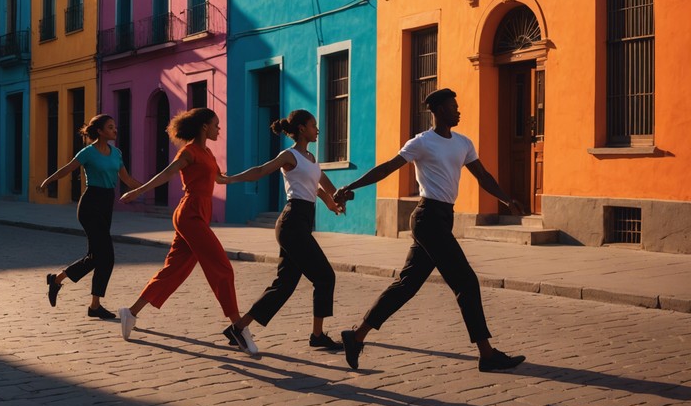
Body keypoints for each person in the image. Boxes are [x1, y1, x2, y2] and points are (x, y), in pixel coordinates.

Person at [334, 88, 526, 372]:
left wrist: (506, 199)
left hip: (442, 218)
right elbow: (388, 168)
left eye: (457, 106)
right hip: (427, 219)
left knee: (407, 285)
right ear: (436, 111)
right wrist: (350, 187)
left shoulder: (463, 143)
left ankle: (357, 335)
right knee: (466, 282)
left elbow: (483, 176)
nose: (458, 110)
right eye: (452, 106)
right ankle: (487, 354)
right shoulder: (422, 142)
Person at [117, 107, 256, 354]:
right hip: (189, 214)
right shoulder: (189, 152)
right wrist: (139, 191)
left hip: (199, 214)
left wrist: (250, 175)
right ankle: (238, 326)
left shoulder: (208, 154)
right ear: (204, 126)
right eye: (216, 124)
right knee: (222, 267)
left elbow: (221, 180)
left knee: (174, 270)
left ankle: (131, 312)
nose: (218, 129)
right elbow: (166, 173)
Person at [223, 110, 345, 351]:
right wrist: (229, 180)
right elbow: (260, 170)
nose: (316, 129)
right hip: (292, 222)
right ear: (301, 129)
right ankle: (317, 336)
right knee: (325, 276)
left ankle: (237, 327)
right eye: (313, 125)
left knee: (285, 284)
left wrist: (333, 201)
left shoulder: (310, 158)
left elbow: (322, 186)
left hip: (301, 222)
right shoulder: (288, 155)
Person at [38, 114, 141, 319]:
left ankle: (59, 281)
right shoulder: (88, 152)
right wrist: (47, 181)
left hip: (106, 204)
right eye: (110, 127)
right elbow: (67, 169)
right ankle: (93, 304)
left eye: (115, 127)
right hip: (90, 204)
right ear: (100, 131)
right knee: (107, 256)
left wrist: (149, 186)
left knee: (96, 256)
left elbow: (127, 179)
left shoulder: (116, 153)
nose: (115, 130)